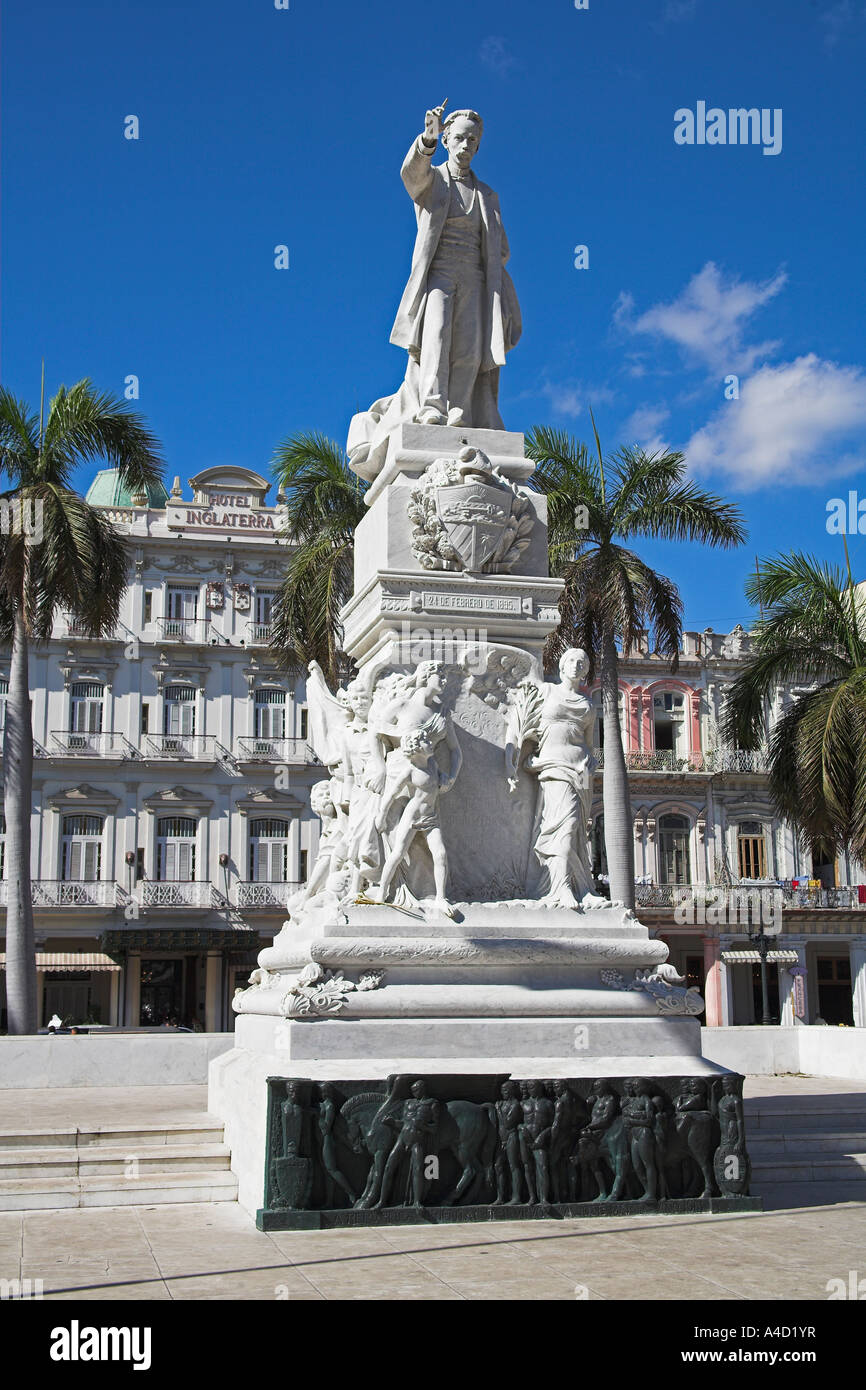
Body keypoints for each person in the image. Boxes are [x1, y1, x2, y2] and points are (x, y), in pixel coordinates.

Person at [347, 104, 522, 478]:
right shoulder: (435, 181)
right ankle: (433, 405)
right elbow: (411, 175)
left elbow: (500, 249)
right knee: (437, 338)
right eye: (458, 137)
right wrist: (425, 141)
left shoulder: (488, 196)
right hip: (440, 273)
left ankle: (459, 408)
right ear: (446, 139)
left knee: (470, 347)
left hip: (476, 278)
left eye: (472, 140)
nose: (465, 145)